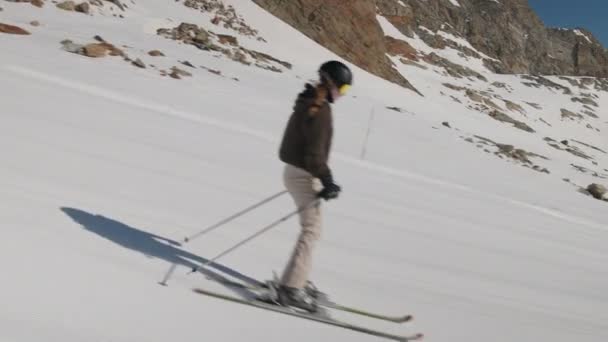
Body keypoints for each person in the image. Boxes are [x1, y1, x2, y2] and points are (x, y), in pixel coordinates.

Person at [275, 60, 353, 312]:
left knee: (312, 228)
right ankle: (291, 288)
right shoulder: (320, 110)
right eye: (343, 90)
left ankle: (298, 278)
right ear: (331, 84)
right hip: (303, 174)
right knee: (312, 230)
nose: (342, 96)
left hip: (297, 172)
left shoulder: (308, 100)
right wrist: (327, 180)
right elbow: (314, 156)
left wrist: (322, 178)